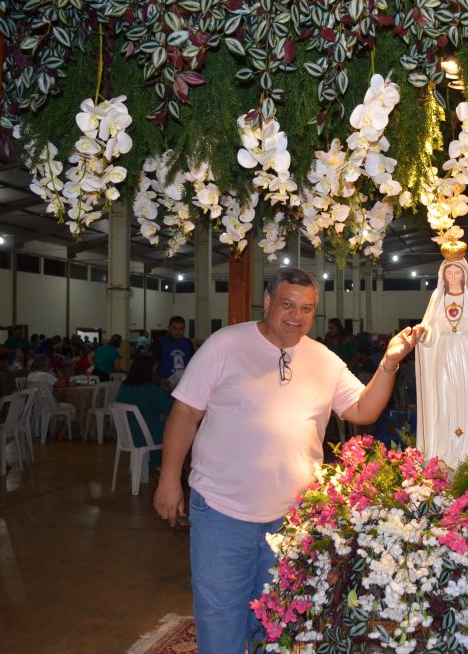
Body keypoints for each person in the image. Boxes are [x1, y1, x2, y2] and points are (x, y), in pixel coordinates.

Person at [153, 267, 421, 653]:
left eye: (307, 308)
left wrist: (391, 362)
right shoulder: (225, 345)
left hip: (291, 520)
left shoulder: (323, 360)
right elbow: (185, 413)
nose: (297, 315)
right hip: (221, 512)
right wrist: (168, 480)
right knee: (220, 616)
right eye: (288, 304)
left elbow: (363, 410)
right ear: (267, 302)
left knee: (276, 620)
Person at [414, 241, 468, 468]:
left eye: (456, 272)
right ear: (443, 275)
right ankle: (444, 452)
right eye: (449, 272)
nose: (452, 277)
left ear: (464, 274)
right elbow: (432, 328)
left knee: (467, 401)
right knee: (444, 400)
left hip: (467, 355)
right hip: (444, 353)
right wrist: (424, 334)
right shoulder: (437, 298)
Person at [115, 355, 173, 469]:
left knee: (157, 426)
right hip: (144, 435)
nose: (156, 371)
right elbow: (171, 410)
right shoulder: (151, 389)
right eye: (154, 368)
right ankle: (160, 467)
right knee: (173, 432)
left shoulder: (124, 386)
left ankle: (155, 465)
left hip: (125, 434)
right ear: (148, 369)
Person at [152, 316, 194, 389]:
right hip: (164, 387)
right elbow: (153, 367)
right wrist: (160, 380)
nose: (178, 332)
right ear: (169, 328)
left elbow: (193, 364)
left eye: (181, 329)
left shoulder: (188, 343)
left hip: (184, 387)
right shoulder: (160, 343)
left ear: (184, 329)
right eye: (174, 328)